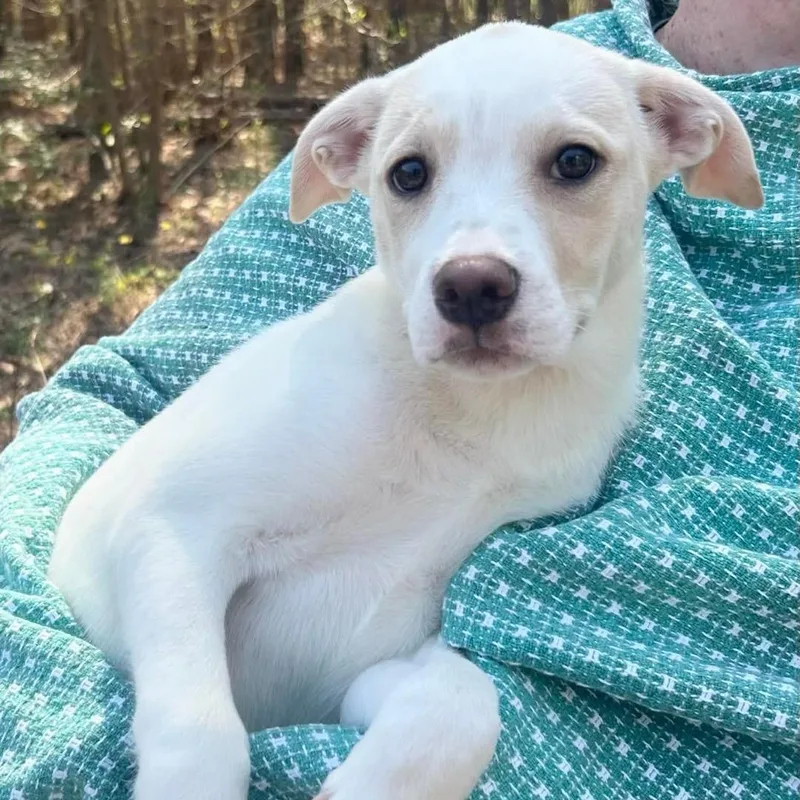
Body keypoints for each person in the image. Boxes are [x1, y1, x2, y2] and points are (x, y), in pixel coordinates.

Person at [0, 1, 796, 798]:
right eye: (412, 176)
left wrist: (442, 715)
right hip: (121, 667)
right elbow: (165, 528)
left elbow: (363, 650)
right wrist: (191, 759)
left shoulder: (577, 455)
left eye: (571, 164)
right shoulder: (336, 372)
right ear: (349, 167)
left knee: (457, 712)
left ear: (677, 138)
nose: (472, 267)